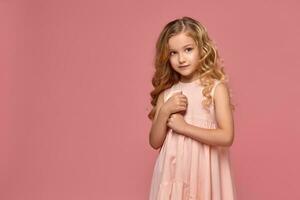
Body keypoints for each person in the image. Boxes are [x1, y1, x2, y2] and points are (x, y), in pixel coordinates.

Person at [148, 16, 237, 199]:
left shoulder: (215, 89)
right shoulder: (167, 94)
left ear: (202, 49)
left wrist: (185, 128)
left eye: (188, 50)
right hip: (173, 174)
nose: (181, 59)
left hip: (205, 173)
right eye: (173, 53)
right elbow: (154, 142)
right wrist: (164, 111)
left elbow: (226, 136)